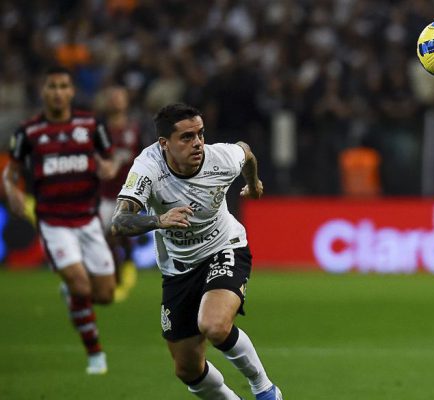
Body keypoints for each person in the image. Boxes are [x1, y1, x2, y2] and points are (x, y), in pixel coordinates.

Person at [109, 103, 282, 400]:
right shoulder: (148, 167)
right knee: (187, 369)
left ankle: (264, 389)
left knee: (213, 326)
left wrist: (253, 185)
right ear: (164, 144)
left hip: (224, 247)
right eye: (187, 137)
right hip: (178, 267)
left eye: (200, 134)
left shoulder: (221, 158)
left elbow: (246, 151)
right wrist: (159, 220)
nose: (198, 143)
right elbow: (120, 221)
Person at [3, 65, 122, 375]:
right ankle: (95, 355)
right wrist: (11, 191)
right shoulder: (28, 131)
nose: (57, 92)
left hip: (88, 220)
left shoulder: (91, 124)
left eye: (62, 86)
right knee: (82, 285)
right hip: (53, 223)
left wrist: (107, 168)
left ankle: (70, 293)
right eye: (51, 86)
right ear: (44, 92)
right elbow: (11, 171)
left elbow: (108, 159)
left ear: (71, 91)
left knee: (106, 295)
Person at [96, 85, 142, 301]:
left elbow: (145, 157)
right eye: (112, 97)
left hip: (128, 193)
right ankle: (116, 276)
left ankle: (123, 273)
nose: (115, 101)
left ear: (126, 101)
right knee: (105, 240)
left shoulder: (134, 129)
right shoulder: (99, 131)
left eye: (119, 97)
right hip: (103, 195)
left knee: (115, 233)